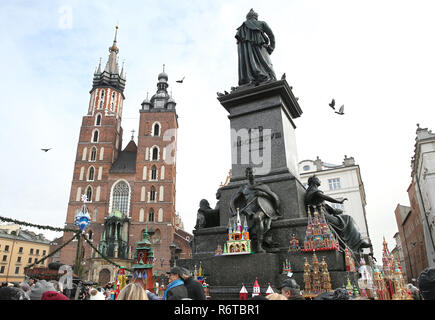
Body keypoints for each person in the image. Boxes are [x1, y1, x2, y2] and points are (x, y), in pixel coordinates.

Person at [305, 175, 372, 252]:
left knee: (346, 218)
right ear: (314, 181)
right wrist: (338, 201)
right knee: (347, 219)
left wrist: (334, 210)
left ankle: (357, 242)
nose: (320, 181)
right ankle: (358, 242)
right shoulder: (313, 191)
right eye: (318, 179)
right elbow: (326, 198)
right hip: (320, 216)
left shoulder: (313, 192)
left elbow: (325, 206)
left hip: (323, 214)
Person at [230, 167, 281, 253]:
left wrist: (262, 194)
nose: (251, 175)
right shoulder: (243, 188)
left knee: (257, 217)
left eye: (253, 173)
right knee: (238, 222)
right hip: (248, 210)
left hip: (262, 208)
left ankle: (259, 246)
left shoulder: (262, 186)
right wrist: (235, 212)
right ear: (246, 175)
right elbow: (232, 201)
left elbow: (274, 197)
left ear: (255, 174)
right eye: (249, 173)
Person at [235, 9, 276, 86]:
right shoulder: (261, 23)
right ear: (256, 17)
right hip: (260, 47)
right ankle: (269, 78)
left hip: (247, 54)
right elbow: (271, 35)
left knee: (256, 64)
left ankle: (250, 78)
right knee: (267, 66)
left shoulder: (241, 28)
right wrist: (271, 47)